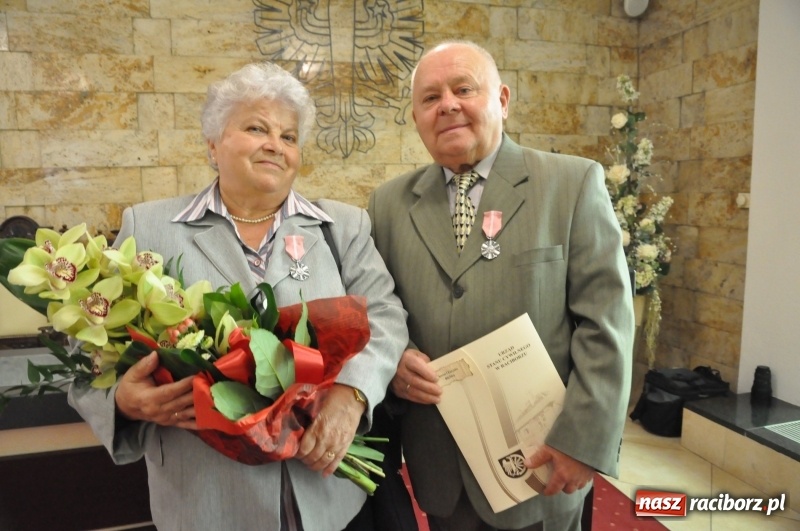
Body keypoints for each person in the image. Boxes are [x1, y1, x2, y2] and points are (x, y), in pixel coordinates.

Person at [68, 62, 409, 531]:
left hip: (327, 493)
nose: (276, 144)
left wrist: (352, 394)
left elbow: (385, 315)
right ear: (213, 145)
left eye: (289, 137)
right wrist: (123, 402)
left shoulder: (342, 228)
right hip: (207, 500)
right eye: (256, 128)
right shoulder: (147, 228)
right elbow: (86, 350)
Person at [367, 40, 634, 531]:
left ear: (503, 100)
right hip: (441, 467)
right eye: (429, 98)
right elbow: (378, 309)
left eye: (463, 88)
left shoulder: (571, 184)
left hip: (545, 460)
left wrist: (583, 440)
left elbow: (607, 324)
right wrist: (395, 360)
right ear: (416, 118)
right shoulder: (387, 205)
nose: (447, 104)